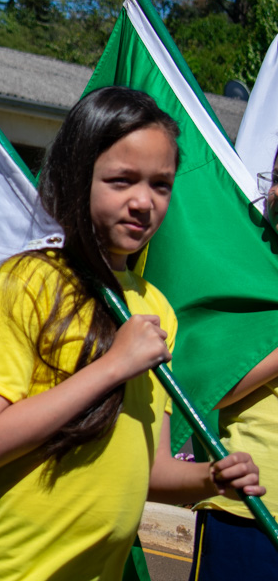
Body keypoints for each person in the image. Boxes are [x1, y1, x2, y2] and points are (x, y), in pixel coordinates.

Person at [0, 86, 264, 581]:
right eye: (121, 180)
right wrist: (115, 364)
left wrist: (210, 479)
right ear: (77, 176)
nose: (143, 202)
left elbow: (149, 472)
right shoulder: (33, 281)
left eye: (161, 184)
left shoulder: (155, 312)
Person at [188, 144, 278, 579]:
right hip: (252, 509)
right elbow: (212, 387)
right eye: (275, 177)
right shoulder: (249, 275)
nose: (276, 192)